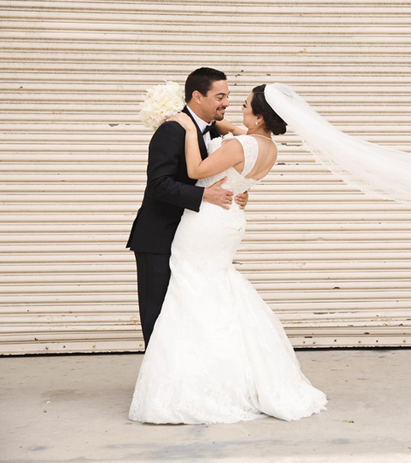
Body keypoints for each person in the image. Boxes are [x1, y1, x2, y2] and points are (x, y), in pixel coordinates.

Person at [129, 85, 327, 424]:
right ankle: (228, 374)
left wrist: (189, 128)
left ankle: (193, 381)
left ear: (261, 116)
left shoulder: (239, 144)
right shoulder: (268, 147)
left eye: (247, 105)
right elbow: (232, 135)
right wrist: (200, 118)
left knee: (191, 291)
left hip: (206, 221)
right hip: (231, 217)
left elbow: (195, 171)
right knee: (215, 289)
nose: (238, 109)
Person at [127, 68, 248, 347]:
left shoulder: (214, 129)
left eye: (227, 96)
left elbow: (214, 176)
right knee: (158, 312)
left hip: (193, 237)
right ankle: (156, 384)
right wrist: (204, 194)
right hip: (159, 236)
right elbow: (158, 185)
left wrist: (234, 193)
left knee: (184, 311)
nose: (226, 103)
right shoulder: (172, 130)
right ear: (197, 97)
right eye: (220, 96)